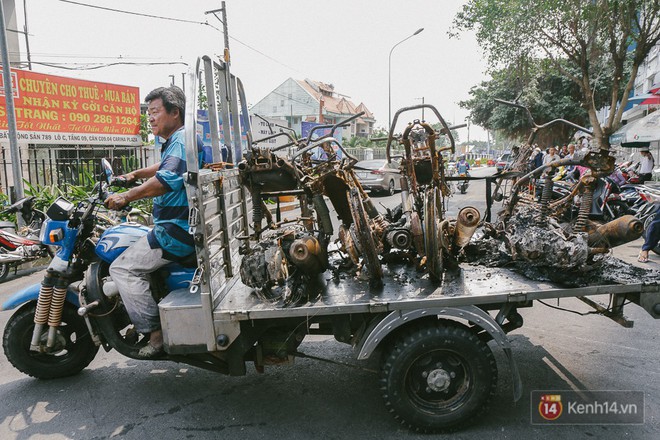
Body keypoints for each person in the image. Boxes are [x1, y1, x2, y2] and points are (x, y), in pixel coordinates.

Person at [105, 86, 200, 359]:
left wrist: (126, 196)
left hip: (177, 231)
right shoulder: (179, 141)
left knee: (122, 268)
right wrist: (132, 175)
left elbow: (166, 179)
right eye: (148, 113)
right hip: (179, 226)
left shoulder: (181, 140)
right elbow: (164, 167)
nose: (151, 118)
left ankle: (155, 335)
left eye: (155, 112)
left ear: (175, 112)